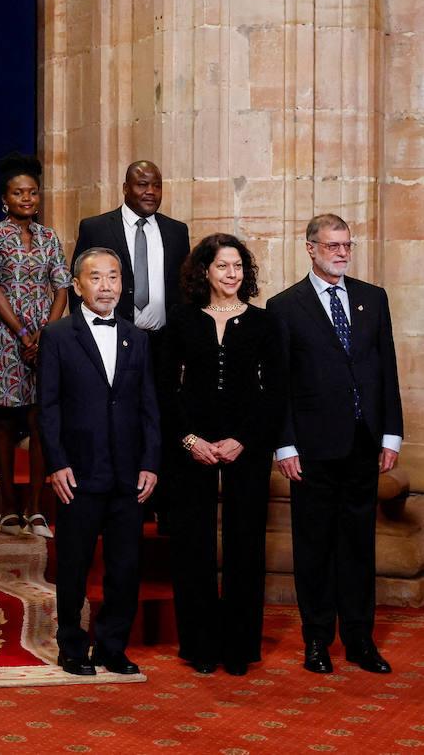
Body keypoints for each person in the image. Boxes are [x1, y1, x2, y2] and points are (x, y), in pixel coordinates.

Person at [269, 214, 403, 676]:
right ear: (310, 248)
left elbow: (387, 368)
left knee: (357, 547)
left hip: (365, 444)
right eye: (332, 245)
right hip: (311, 449)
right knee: (314, 547)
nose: (342, 253)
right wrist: (284, 445)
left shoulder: (373, 298)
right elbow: (279, 385)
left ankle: (360, 640)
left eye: (347, 245)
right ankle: (317, 641)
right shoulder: (284, 306)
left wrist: (391, 434)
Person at [162, 234, 282, 676]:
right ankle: (199, 645)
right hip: (191, 444)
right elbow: (165, 389)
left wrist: (243, 439)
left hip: (244, 444)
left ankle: (239, 646)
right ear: (205, 272)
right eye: (222, 267)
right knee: (192, 543)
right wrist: (189, 440)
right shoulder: (182, 319)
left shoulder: (263, 322)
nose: (231, 275)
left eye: (237, 267)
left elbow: (274, 392)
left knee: (244, 543)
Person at [39, 247, 160, 677]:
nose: (106, 286)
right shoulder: (57, 336)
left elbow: (149, 407)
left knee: (125, 567)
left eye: (113, 278)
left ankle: (112, 646)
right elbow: (48, 407)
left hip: (129, 474)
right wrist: (56, 463)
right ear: (77, 285)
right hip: (78, 472)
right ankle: (71, 646)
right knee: (73, 564)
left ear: (122, 285)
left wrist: (150, 463)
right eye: (96, 278)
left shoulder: (138, 338)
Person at [0, 153, 70, 539]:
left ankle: (35, 508)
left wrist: (45, 335)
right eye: (19, 193)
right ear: (5, 198)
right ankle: (8, 508)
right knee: (2, 420)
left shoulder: (49, 237)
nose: (27, 199)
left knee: (39, 419)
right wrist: (22, 334)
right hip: (4, 337)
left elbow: (62, 286)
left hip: (43, 339)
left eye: (32, 193)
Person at [70, 160, 190, 328]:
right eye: (142, 185)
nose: (151, 192)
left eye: (157, 186)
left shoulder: (177, 231)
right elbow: (77, 285)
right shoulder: (96, 228)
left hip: (165, 342)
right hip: (111, 336)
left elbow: (186, 286)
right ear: (125, 188)